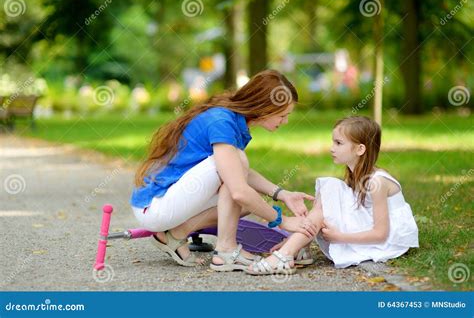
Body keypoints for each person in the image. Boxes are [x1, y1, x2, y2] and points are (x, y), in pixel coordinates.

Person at [130, 70, 318, 270]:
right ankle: (226, 250)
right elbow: (236, 186)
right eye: (283, 115)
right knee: (240, 179)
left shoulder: (231, 117)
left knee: (250, 200)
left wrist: (282, 194)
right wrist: (282, 221)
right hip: (155, 206)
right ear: (264, 108)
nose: (285, 121)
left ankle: (175, 234)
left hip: (167, 201)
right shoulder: (223, 122)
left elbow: (236, 173)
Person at [246, 116, 419, 275]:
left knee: (329, 192)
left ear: (360, 149)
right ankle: (294, 248)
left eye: (338, 143)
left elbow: (381, 233)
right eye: (333, 142)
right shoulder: (356, 175)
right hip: (367, 223)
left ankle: (286, 254)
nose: (331, 148)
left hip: (388, 240)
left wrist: (340, 238)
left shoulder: (377, 183)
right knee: (329, 189)